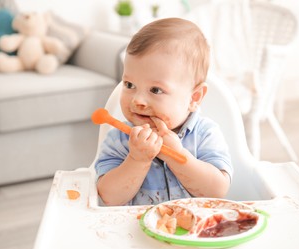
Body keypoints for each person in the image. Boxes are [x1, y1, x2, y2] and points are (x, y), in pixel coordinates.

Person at [95, 18, 233, 206]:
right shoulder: (118, 139)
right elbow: (109, 197)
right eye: (129, 85)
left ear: (194, 98)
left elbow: (217, 191)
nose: (138, 100)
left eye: (155, 90)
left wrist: (176, 155)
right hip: (133, 232)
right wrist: (137, 159)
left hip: (197, 231)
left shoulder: (204, 134)